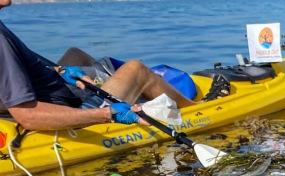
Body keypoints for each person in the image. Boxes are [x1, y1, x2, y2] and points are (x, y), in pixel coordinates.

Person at [0, 0, 192, 132]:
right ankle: (200, 111)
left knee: (75, 56)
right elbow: (27, 115)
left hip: (57, 96)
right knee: (135, 69)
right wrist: (107, 114)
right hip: (65, 113)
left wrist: (59, 71)